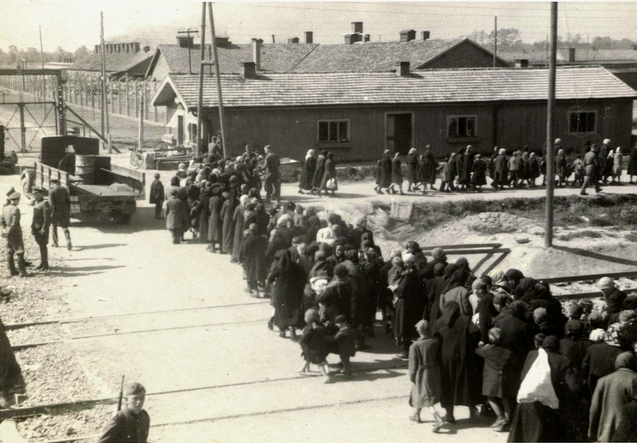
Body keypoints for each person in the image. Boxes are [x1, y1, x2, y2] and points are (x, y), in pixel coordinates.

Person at [433, 300, 481, 424]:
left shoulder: (439, 322)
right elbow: (475, 333)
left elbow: (434, 339)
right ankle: (472, 412)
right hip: (463, 358)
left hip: (445, 360)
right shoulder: (465, 319)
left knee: (447, 385)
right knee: (466, 384)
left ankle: (449, 415)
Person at [589, 352, 637, 442]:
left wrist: (591, 431)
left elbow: (594, 408)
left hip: (605, 433)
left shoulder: (602, 381)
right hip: (627, 433)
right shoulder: (634, 379)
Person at [475, 327, 515, 432]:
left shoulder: (487, 350)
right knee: (505, 399)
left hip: (492, 377)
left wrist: (482, 346)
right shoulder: (508, 351)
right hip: (505, 377)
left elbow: (477, 351)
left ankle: (500, 416)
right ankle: (507, 421)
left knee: (490, 397)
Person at [408, 319, 444, 432]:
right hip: (433, 370)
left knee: (425, 396)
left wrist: (412, 376)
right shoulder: (435, 341)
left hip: (421, 373)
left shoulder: (415, 346)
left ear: (419, 331)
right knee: (422, 393)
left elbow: (413, 364)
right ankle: (416, 414)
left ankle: (437, 418)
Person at [268, 250, 306, 338]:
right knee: (292, 310)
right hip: (293, 291)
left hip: (280, 292)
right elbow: (303, 277)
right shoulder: (297, 266)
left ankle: (282, 330)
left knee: (280, 310)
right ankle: (292, 329)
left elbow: (270, 278)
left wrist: (274, 282)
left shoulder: (278, 267)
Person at [299, 309, 331, 383]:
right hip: (319, 346)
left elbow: (304, 337)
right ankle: (303, 369)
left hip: (311, 348)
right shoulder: (319, 325)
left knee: (318, 363)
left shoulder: (309, 327)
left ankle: (325, 376)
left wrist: (300, 342)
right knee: (308, 358)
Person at [1, 189, 27, 277]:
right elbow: (14, 224)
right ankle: (22, 272)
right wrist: (10, 232)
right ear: (17, 199)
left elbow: (1, 220)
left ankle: (12, 271)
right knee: (19, 251)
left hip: (7, 232)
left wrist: (3, 230)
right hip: (15, 233)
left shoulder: (5, 208)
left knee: (9, 251)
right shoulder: (16, 209)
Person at [326, 314, 356, 379]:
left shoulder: (344, 329)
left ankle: (348, 374)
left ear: (342, 323)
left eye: (338, 323)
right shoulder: (347, 326)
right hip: (348, 346)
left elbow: (336, 337)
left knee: (345, 360)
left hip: (344, 348)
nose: (337, 325)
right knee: (345, 359)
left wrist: (328, 338)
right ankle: (345, 370)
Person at [241, 223, 268, 296]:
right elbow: (266, 247)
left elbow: (244, 251)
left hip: (250, 260)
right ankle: (264, 290)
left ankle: (255, 290)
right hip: (260, 259)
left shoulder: (247, 240)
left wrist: (241, 259)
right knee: (261, 274)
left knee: (251, 274)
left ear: (250, 230)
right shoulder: (262, 238)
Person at [30, 187, 51, 271]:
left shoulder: (44, 203)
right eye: (33, 194)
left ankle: (45, 265)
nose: (34, 195)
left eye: (36, 194)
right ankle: (42, 263)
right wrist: (32, 227)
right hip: (36, 228)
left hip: (42, 229)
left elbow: (47, 219)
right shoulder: (36, 203)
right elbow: (34, 217)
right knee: (40, 245)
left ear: (40, 194)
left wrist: (44, 229)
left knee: (43, 246)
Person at [48, 179, 72, 250]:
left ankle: (55, 242)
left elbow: (51, 203)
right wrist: (68, 211)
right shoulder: (64, 189)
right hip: (64, 209)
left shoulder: (51, 191)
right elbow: (68, 201)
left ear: (52, 183)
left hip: (56, 210)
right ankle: (68, 240)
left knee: (54, 226)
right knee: (64, 226)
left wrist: (50, 213)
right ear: (58, 182)